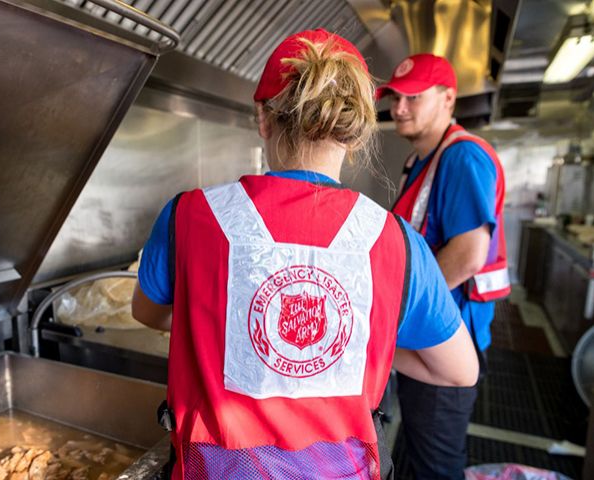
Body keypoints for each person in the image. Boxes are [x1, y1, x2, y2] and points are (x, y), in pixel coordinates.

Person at [132, 30, 478, 480]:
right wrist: (359, 340)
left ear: (262, 117)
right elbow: (459, 371)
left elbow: (149, 312)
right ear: (355, 135)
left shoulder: (190, 215)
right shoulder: (395, 240)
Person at [377, 53, 510, 479]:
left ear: (448, 98)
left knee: (436, 464)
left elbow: (469, 253)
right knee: (416, 450)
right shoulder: (421, 162)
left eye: (413, 97)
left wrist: (398, 316)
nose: (399, 108)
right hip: (426, 339)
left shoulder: (462, 158)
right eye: (396, 97)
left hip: (447, 340)